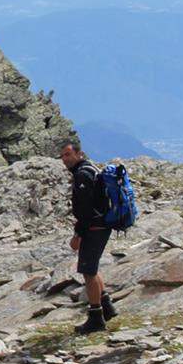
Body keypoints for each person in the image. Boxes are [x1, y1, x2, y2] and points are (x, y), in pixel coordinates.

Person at [62, 141, 119, 334]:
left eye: (68, 155)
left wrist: (78, 234)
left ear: (79, 154)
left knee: (88, 271)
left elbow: (85, 209)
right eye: (63, 156)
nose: (65, 159)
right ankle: (107, 307)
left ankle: (96, 318)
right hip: (102, 224)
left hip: (95, 227)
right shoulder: (90, 169)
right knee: (92, 268)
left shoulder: (82, 174)